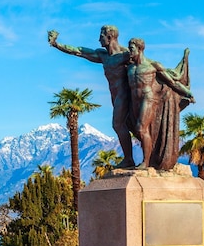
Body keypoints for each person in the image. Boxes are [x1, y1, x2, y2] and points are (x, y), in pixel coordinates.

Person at [48, 26, 138, 168]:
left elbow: (145, 64)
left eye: (101, 36)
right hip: (115, 97)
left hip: (125, 95)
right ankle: (133, 158)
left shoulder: (126, 55)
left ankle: (129, 159)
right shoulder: (103, 56)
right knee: (126, 125)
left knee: (118, 124)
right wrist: (56, 44)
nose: (98, 39)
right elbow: (79, 51)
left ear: (110, 37)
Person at [127, 38, 194, 171]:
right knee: (138, 129)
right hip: (135, 101)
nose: (129, 52)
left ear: (140, 49)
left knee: (141, 129)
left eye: (132, 49)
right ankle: (149, 157)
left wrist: (187, 93)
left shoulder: (152, 66)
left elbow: (172, 82)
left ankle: (146, 162)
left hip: (148, 99)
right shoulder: (129, 67)